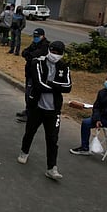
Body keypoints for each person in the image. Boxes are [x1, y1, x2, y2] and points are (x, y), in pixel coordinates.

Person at [17, 41, 72, 180]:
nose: (55, 55)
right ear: (49, 50)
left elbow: (68, 86)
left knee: (53, 139)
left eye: (59, 53)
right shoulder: (38, 62)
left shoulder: (63, 67)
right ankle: (24, 151)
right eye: (53, 52)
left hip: (54, 110)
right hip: (37, 106)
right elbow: (38, 83)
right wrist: (56, 87)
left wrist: (52, 84)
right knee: (30, 131)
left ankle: (52, 168)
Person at [70, 73, 107, 155]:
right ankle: (84, 148)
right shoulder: (102, 92)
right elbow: (96, 107)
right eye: (106, 80)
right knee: (86, 123)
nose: (106, 82)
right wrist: (97, 119)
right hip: (102, 118)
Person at [16, 28, 50, 122]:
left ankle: (31, 114)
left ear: (42, 36)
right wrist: (28, 55)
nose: (35, 38)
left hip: (37, 74)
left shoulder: (45, 46)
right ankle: (28, 110)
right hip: (29, 71)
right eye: (34, 36)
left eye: (37, 37)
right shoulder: (34, 43)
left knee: (31, 94)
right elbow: (25, 52)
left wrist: (29, 55)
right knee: (28, 92)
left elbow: (33, 55)